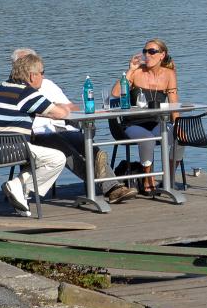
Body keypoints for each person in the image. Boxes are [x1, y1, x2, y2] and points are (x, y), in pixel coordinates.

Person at [12, 49, 136, 205]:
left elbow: (72, 107)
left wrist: (63, 109)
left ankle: (107, 180)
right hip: (35, 134)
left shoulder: (47, 84)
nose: (32, 71)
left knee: (86, 143)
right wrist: (53, 110)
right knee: (65, 150)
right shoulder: (15, 89)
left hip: (62, 128)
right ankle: (110, 187)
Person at [0, 53, 68, 216]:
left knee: (39, 157)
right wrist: (60, 107)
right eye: (42, 73)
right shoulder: (26, 93)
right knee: (57, 158)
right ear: (32, 75)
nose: (43, 77)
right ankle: (19, 188)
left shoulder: (4, 86)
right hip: (4, 150)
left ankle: (18, 192)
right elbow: (61, 113)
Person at [110, 38, 180, 195]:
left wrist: (177, 125)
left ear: (162, 55)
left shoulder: (169, 74)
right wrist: (130, 70)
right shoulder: (136, 73)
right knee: (147, 138)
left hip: (157, 123)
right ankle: (149, 179)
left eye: (152, 51)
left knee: (181, 137)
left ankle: (168, 178)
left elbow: (174, 104)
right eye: (145, 51)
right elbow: (115, 93)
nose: (147, 55)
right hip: (133, 125)